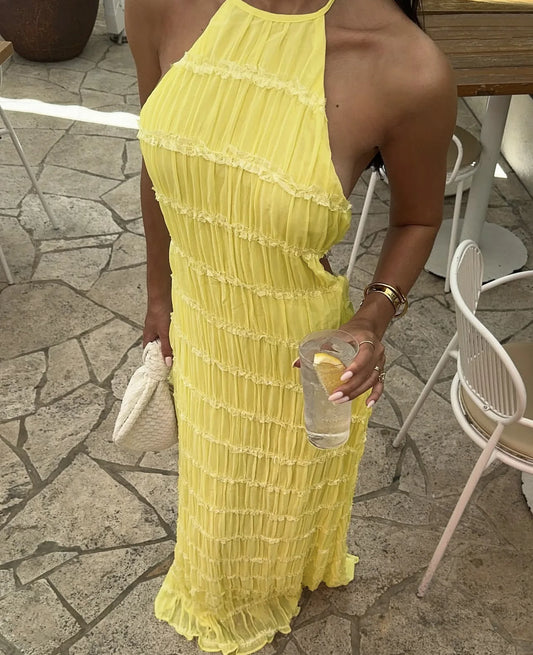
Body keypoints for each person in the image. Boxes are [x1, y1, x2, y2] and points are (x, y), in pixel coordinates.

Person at [126, 0, 456, 652]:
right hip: (200, 317)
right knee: (213, 484)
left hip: (292, 349)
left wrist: (372, 317)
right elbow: (159, 158)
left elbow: (418, 218)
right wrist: (159, 292)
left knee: (273, 496)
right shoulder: (160, 4)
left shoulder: (406, 67)